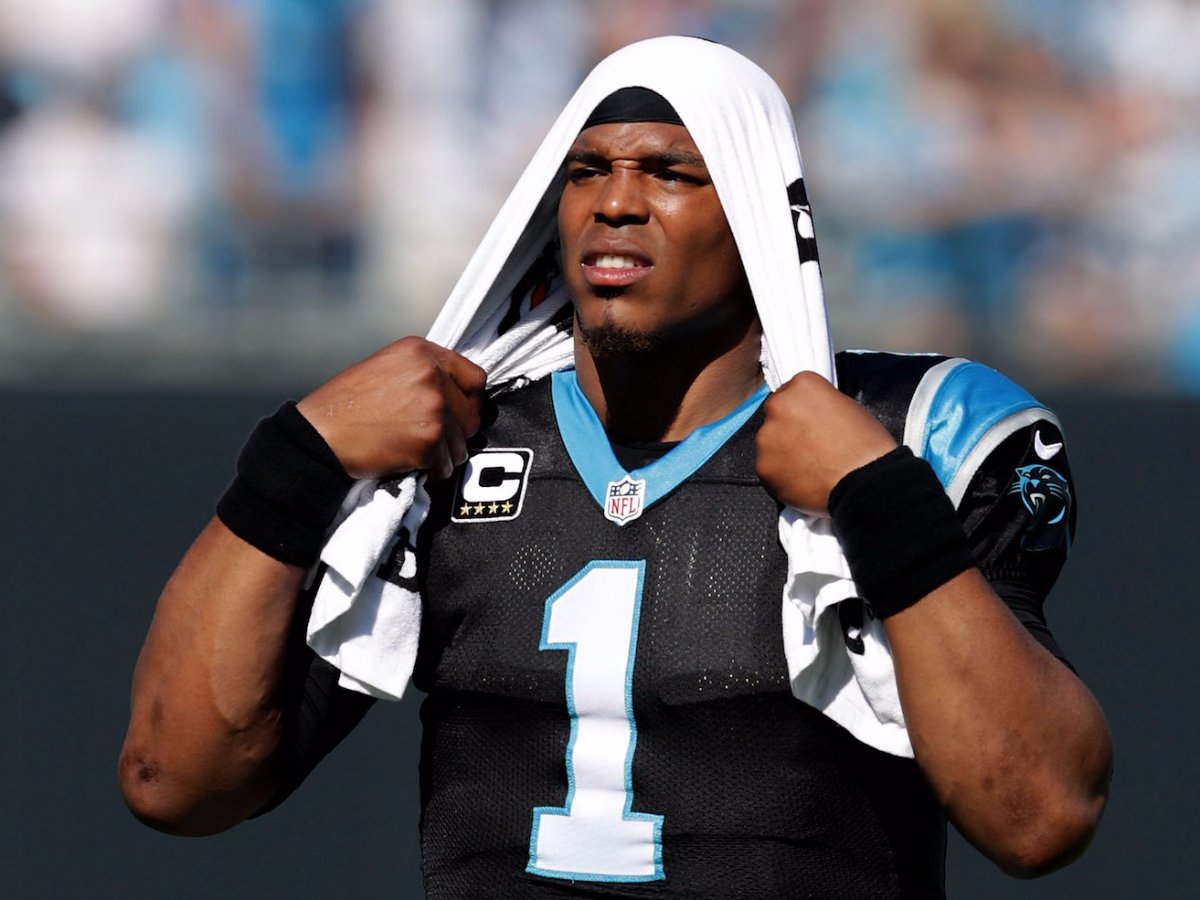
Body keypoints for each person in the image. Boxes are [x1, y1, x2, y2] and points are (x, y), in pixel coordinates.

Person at [119, 36, 1111, 899]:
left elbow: (1041, 818)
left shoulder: (913, 431)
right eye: (587, 170)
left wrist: (883, 503)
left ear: (758, 212)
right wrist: (291, 465)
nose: (617, 203)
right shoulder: (456, 440)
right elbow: (176, 782)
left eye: (669, 172)